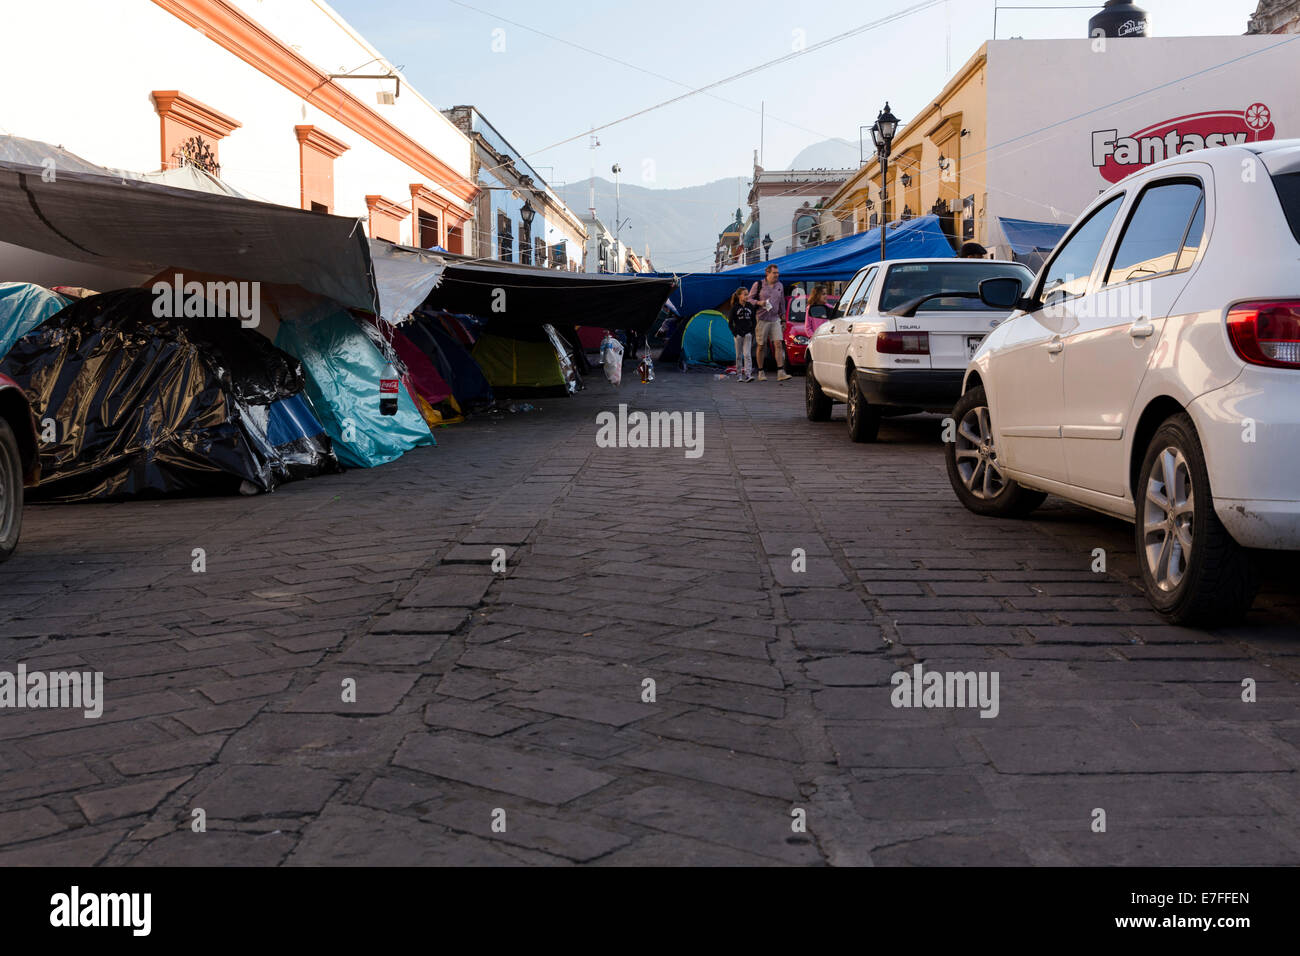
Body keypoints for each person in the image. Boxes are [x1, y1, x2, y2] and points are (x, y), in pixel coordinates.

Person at [750, 264, 792, 381]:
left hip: (775, 319)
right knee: (761, 346)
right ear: (767, 273)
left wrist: (783, 319)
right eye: (774, 273)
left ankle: (780, 372)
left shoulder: (780, 286)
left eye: (777, 273)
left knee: (778, 343)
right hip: (762, 319)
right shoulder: (758, 284)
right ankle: (761, 372)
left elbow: (782, 303)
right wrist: (759, 303)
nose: (777, 275)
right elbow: (749, 299)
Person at [727, 286, 757, 383]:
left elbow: (754, 320)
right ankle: (739, 375)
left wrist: (751, 331)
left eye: (747, 294)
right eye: (745, 294)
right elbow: (730, 322)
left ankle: (748, 375)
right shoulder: (735, 307)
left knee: (747, 354)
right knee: (738, 355)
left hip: (748, 334)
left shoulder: (750, 306)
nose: (747, 296)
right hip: (738, 335)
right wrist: (735, 333)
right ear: (739, 296)